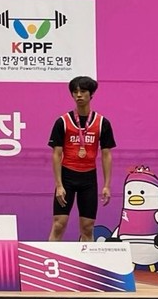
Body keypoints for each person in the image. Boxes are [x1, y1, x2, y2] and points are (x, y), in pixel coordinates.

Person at [48, 76, 116, 241]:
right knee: (59, 224)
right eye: (75, 92)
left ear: (91, 94)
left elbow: (106, 155)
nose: (78, 95)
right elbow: (56, 154)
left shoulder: (102, 123)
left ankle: (86, 259)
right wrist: (59, 185)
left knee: (87, 227)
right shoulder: (63, 122)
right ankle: (48, 257)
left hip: (88, 179)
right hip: (67, 177)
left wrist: (107, 185)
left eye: (83, 91)